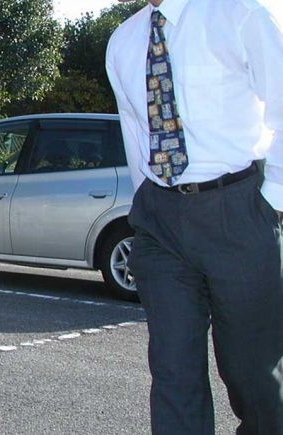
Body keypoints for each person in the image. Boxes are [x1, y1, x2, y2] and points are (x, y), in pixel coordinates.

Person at [106, 0, 283, 433]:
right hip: (160, 223)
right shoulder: (123, 41)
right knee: (173, 372)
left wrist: (274, 200)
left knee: (253, 375)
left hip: (239, 211)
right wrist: (146, 201)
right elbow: (135, 131)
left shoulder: (240, 14)